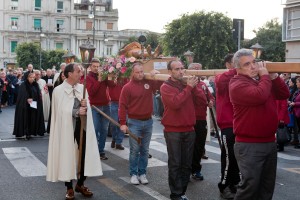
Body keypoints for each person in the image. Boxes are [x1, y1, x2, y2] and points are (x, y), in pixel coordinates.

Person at [229, 48, 290, 200]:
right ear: (237, 68)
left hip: (269, 142)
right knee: (249, 189)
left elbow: (284, 94)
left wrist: (274, 77)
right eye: (247, 64)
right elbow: (260, 96)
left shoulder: (261, 81)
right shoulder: (237, 84)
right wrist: (265, 76)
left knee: (266, 188)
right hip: (250, 145)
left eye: (254, 62)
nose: (253, 67)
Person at [47, 63, 102, 200]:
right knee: (67, 154)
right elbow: (60, 111)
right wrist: (76, 111)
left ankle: (81, 183)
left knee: (84, 155)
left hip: (81, 126)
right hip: (66, 127)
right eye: (78, 71)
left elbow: (87, 106)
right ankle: (69, 187)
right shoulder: (59, 90)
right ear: (70, 73)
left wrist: (85, 106)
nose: (80, 74)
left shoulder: (82, 88)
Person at [160, 60, 198, 200]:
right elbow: (175, 103)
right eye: (177, 69)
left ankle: (182, 192)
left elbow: (201, 101)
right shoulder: (165, 86)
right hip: (173, 130)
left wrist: (198, 86)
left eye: (182, 68)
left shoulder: (187, 84)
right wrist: (188, 88)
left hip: (189, 129)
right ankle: (175, 194)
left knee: (186, 164)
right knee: (175, 163)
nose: (181, 71)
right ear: (170, 72)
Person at [119, 62, 160, 185]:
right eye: (137, 72)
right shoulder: (127, 87)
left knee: (145, 150)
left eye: (142, 71)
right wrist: (122, 123)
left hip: (148, 121)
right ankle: (133, 174)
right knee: (134, 150)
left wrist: (155, 75)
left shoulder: (148, 83)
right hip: (134, 122)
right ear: (132, 73)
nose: (140, 74)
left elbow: (160, 85)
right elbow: (122, 106)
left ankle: (142, 173)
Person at [215, 53, 240, 199]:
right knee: (229, 156)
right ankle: (224, 185)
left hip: (241, 123)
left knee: (238, 156)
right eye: (235, 62)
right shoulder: (223, 77)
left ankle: (235, 182)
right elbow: (219, 81)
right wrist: (238, 68)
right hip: (228, 124)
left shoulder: (241, 78)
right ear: (228, 65)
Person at [86, 58, 111, 160]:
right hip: (95, 106)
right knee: (95, 129)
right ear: (90, 67)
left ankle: (101, 151)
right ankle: (92, 150)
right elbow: (91, 92)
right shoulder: (88, 78)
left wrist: (110, 76)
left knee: (104, 129)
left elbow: (112, 85)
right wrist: (99, 80)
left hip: (106, 105)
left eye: (98, 66)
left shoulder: (103, 75)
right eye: (94, 66)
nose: (96, 68)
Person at [13, 72, 45, 139]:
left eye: (33, 77)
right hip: (25, 106)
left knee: (33, 118)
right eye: (31, 77)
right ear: (27, 77)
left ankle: (31, 132)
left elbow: (38, 94)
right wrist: (27, 99)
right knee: (26, 119)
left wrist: (34, 98)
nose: (32, 79)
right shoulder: (23, 85)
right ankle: (26, 132)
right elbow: (21, 96)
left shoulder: (36, 85)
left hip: (33, 105)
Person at [108, 77, 129, 150]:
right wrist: (115, 77)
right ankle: (114, 138)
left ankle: (119, 142)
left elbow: (127, 87)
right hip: (114, 103)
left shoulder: (125, 77)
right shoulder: (111, 75)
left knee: (122, 123)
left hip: (124, 103)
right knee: (113, 123)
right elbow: (109, 84)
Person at [289, 77, 300, 149]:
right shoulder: (298, 91)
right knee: (296, 128)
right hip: (296, 112)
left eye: (297, 82)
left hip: (298, 112)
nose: (296, 83)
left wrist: (294, 104)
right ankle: (297, 141)